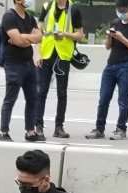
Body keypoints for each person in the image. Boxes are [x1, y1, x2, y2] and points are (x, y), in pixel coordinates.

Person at [87, 0, 128, 140]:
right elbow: (107, 46)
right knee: (104, 98)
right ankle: (99, 129)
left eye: (124, 10)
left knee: (123, 99)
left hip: (127, 65)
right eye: (119, 9)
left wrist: (121, 38)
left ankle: (121, 128)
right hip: (111, 64)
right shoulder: (115, 22)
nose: (121, 13)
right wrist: (109, 37)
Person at [34, 0, 82, 139]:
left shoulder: (74, 9)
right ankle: (38, 126)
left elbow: (80, 35)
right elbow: (38, 32)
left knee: (62, 93)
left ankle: (59, 127)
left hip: (63, 55)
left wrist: (66, 34)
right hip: (46, 53)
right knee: (41, 91)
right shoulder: (46, 6)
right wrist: (37, 53)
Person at [0, 0, 42, 142]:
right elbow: (17, 40)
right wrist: (28, 38)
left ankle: (30, 131)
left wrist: (24, 38)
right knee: (10, 98)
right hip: (13, 64)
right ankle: (4, 131)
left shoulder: (30, 18)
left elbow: (39, 37)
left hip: (29, 63)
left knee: (32, 98)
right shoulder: (9, 17)